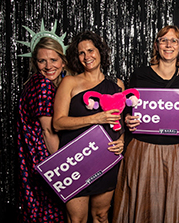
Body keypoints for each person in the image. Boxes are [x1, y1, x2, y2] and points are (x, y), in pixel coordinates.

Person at [112, 25, 179, 223]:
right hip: (143, 149)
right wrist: (127, 118)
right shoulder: (139, 75)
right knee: (141, 203)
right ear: (156, 45)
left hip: (176, 151)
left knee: (172, 204)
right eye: (163, 40)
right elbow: (127, 110)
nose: (168, 45)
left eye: (174, 40)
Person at [52, 30, 125, 223]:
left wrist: (122, 141)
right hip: (75, 160)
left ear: (100, 52)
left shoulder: (117, 85)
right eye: (81, 53)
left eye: (91, 50)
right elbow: (58, 122)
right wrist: (96, 118)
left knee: (101, 216)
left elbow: (121, 122)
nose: (87, 56)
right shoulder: (70, 82)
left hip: (106, 158)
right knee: (77, 219)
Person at [17, 36, 71, 222]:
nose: (48, 66)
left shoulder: (31, 83)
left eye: (53, 60)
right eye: (42, 61)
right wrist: (65, 170)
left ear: (63, 62)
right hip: (46, 161)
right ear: (35, 63)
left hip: (31, 161)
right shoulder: (43, 86)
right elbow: (48, 131)